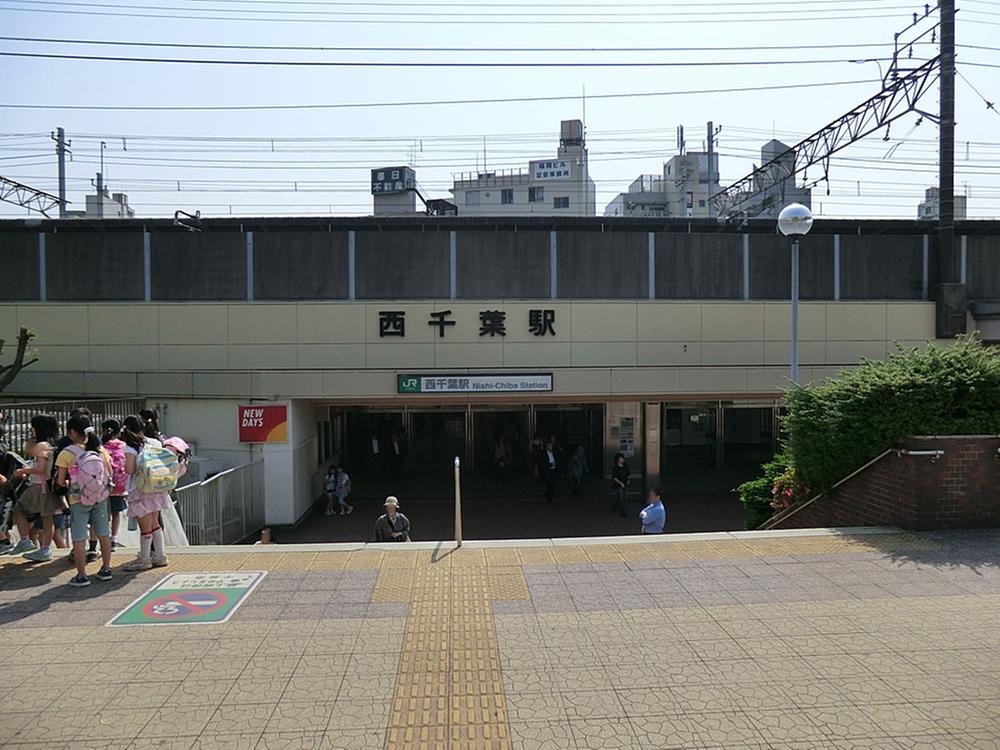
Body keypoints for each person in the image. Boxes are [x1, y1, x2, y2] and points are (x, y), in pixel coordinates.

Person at [54, 414, 114, 587]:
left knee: (79, 537)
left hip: (77, 499)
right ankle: (106, 569)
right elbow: (109, 474)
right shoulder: (101, 450)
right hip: (100, 498)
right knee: (103, 533)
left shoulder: (67, 453)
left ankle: (81, 575)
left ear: (72, 432)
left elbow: (60, 481)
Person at [121, 414, 172, 572]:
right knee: (155, 524)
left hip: (140, 489)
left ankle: (144, 559)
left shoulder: (130, 447)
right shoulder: (154, 442)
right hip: (156, 488)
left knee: (145, 528)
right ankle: (160, 556)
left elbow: (129, 469)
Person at [11, 415, 61, 560]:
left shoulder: (41, 446)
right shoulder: (52, 444)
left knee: (20, 508)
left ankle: (25, 540)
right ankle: (45, 549)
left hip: (40, 486)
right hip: (49, 486)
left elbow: (40, 468)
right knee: (47, 518)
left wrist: (22, 471)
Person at [101, 419, 129, 550]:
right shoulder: (123, 445)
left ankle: (104, 538)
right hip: (119, 485)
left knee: (103, 514)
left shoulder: (100, 446)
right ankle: (114, 538)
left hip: (103, 485)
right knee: (116, 512)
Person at [611, 452, 630, 518]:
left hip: (625, 484)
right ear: (618, 459)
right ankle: (623, 511)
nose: (623, 459)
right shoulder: (615, 468)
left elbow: (628, 474)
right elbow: (614, 477)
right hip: (618, 485)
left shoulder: (625, 466)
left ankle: (615, 506)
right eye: (621, 458)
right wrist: (620, 483)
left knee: (624, 498)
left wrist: (628, 480)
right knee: (621, 498)